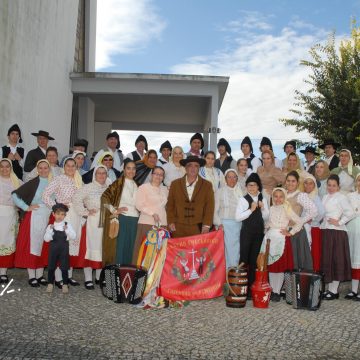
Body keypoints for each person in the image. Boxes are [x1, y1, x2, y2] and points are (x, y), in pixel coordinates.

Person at [42, 157, 83, 287]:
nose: (70, 168)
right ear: (63, 167)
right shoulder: (58, 179)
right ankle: (58, 278)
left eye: (73, 165)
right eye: (68, 165)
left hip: (75, 215)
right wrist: (57, 207)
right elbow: (45, 195)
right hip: (63, 216)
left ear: (76, 167)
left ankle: (68, 276)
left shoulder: (78, 180)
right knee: (62, 246)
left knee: (72, 246)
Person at [12, 159, 52, 287]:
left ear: (49, 169)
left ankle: (40, 275)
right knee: (32, 246)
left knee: (44, 246)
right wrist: (26, 207)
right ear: (37, 169)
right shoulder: (33, 183)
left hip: (49, 217)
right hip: (34, 216)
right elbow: (15, 195)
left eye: (46, 168)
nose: (43, 170)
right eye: (40, 168)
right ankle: (32, 276)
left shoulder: (53, 183)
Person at [73, 165, 109, 289]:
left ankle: (99, 277)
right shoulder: (88, 187)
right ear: (95, 174)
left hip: (106, 222)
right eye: (99, 173)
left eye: (104, 173)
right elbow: (76, 198)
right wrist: (85, 212)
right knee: (90, 249)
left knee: (102, 249)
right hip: (92, 223)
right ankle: (88, 278)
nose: (102, 175)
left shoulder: (109, 188)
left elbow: (112, 204)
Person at [264, 188, 302, 301]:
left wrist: (290, 232)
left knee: (279, 266)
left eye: (281, 196)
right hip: (270, 239)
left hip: (281, 239)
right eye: (275, 196)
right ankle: (271, 289)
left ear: (284, 198)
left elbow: (299, 222)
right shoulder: (270, 209)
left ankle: (277, 290)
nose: (278, 199)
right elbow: (266, 223)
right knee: (271, 265)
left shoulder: (287, 209)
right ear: (272, 197)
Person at [321, 174, 354, 300]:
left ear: (338, 187)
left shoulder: (341, 197)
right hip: (326, 231)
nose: (331, 187)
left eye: (334, 185)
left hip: (337, 233)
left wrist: (339, 222)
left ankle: (334, 291)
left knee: (335, 260)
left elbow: (350, 212)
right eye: (329, 185)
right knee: (328, 260)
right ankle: (330, 290)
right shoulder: (324, 197)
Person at [100, 159, 139, 265]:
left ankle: (128, 276)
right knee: (120, 249)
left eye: (133, 168)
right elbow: (104, 197)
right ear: (124, 170)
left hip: (135, 220)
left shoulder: (137, 184)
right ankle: (118, 276)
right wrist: (114, 210)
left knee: (131, 249)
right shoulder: (118, 183)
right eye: (128, 168)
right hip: (123, 218)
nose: (131, 171)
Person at [235, 173, 269, 293]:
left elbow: (265, 218)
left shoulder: (263, 199)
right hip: (247, 233)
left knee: (255, 260)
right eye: (249, 185)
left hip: (259, 233)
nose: (251, 187)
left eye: (254, 185)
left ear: (258, 187)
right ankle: (240, 287)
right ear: (246, 186)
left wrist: (263, 208)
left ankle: (251, 289)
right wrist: (251, 210)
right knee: (244, 259)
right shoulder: (243, 200)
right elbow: (238, 217)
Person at [167, 156, 214, 238]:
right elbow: (170, 205)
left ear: (199, 168)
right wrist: (170, 221)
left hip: (198, 228)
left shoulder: (207, 185)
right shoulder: (175, 184)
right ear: (185, 168)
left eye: (196, 166)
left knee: (197, 251)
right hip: (178, 227)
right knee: (179, 251)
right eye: (190, 165)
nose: (193, 168)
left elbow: (209, 207)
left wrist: (206, 225)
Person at [132, 166, 168, 263]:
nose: (158, 176)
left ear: (163, 177)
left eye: (161, 175)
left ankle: (155, 277)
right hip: (147, 223)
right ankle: (141, 275)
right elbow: (139, 205)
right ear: (152, 175)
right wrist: (152, 213)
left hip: (162, 225)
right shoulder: (143, 187)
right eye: (156, 173)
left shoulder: (165, 189)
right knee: (144, 253)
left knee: (158, 254)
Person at [285, 171, 318, 270]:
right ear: (285, 182)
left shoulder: (300, 195)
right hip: (283, 231)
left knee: (297, 261)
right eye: (288, 181)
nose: (290, 183)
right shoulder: (282, 193)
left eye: (293, 181)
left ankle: (298, 285)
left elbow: (314, 210)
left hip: (296, 233)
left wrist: (300, 222)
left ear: (297, 183)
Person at [44, 203, 76, 294]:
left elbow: (73, 236)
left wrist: (67, 230)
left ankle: (65, 285)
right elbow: (46, 239)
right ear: (53, 214)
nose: (60, 216)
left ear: (65, 215)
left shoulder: (67, 225)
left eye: (62, 214)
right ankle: (50, 284)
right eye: (58, 214)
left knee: (64, 267)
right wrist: (50, 231)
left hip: (64, 250)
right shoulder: (50, 226)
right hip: (53, 250)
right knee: (51, 267)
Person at [213, 169, 243, 268]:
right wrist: (219, 224)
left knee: (237, 249)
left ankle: (234, 273)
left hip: (238, 224)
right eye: (229, 177)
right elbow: (215, 210)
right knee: (225, 250)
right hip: (224, 225)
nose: (232, 179)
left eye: (234, 177)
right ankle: (226, 274)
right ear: (225, 179)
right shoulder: (220, 191)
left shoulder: (241, 191)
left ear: (237, 178)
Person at [0, 159, 21, 283]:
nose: (4, 169)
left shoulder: (16, 181)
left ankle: (3, 272)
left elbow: (26, 194)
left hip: (10, 215)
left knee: (7, 242)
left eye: (7, 166)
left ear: (11, 168)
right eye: (2, 167)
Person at [303, 174, 325, 272]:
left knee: (314, 254)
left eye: (310, 183)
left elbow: (321, 212)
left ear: (314, 185)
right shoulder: (303, 196)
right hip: (304, 228)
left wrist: (313, 220)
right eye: (306, 183)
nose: (308, 186)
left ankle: (314, 281)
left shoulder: (315, 197)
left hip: (313, 229)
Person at [345, 173, 360, 301]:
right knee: (354, 260)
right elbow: (346, 212)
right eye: (359, 180)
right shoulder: (349, 196)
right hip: (352, 230)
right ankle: (354, 289)